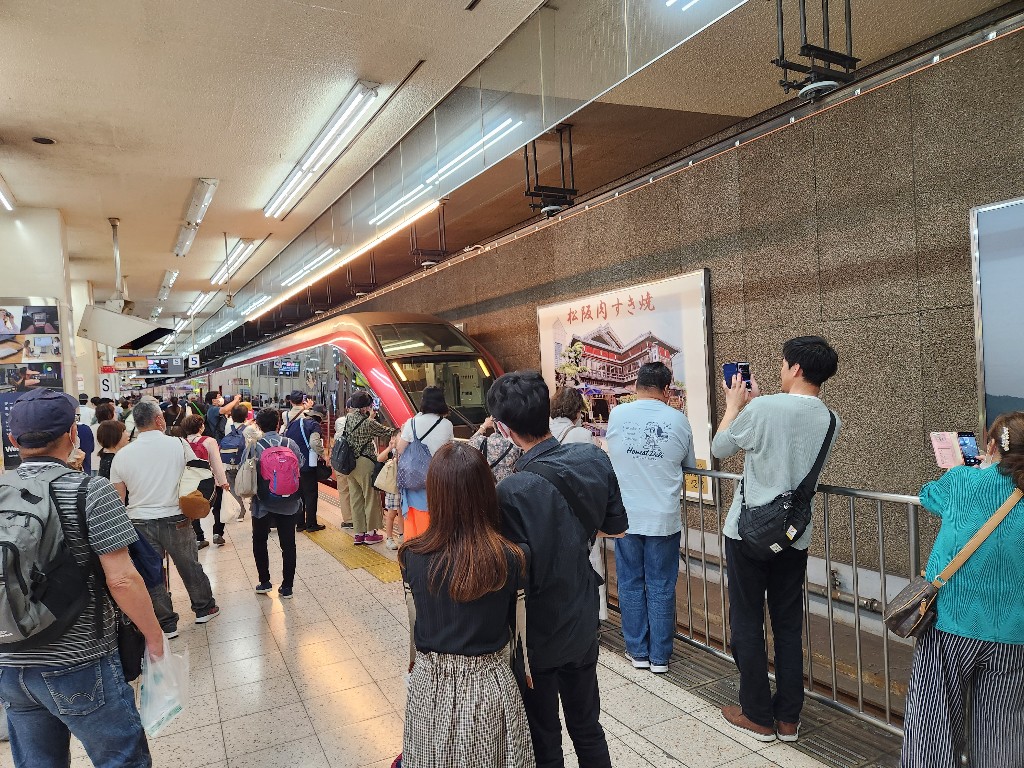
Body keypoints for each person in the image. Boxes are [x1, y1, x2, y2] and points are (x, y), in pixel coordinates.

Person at [0, 388, 162, 767]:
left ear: (13, 440)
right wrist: (154, 638)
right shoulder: (89, 490)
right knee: (122, 760)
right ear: (73, 435)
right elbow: (122, 580)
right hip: (79, 661)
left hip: (10, 663)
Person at [488, 371, 628, 768]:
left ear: (504, 428)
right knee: (588, 726)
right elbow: (617, 529)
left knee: (544, 737)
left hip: (537, 629)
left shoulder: (510, 491)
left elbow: (511, 566)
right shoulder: (593, 457)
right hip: (582, 613)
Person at [711, 336, 840, 742]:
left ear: (796, 368)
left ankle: (757, 714)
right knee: (787, 625)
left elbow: (720, 447)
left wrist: (735, 406)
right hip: (793, 537)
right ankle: (788, 718)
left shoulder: (763, 408)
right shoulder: (831, 419)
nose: (781, 370)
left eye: (784, 364)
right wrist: (757, 407)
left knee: (747, 621)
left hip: (748, 532)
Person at [900, 412, 1024, 768]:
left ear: (990, 446)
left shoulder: (962, 480)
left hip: (951, 624)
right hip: (1013, 632)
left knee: (933, 726)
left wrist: (970, 469)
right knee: (1003, 730)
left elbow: (928, 495)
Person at [399, 442, 534, 767]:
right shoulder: (512, 557)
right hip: (490, 687)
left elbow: (417, 620)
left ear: (434, 494)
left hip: (429, 689)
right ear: (486, 491)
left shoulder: (411, 555)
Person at [606, 362, 696, 674]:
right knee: (660, 585)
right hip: (663, 517)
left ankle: (637, 651)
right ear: (666, 388)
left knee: (630, 582)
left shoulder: (618, 414)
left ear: (636, 385)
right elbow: (689, 464)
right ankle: (660, 656)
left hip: (627, 516)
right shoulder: (679, 419)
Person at [110, 400, 221, 637]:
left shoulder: (122, 455)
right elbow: (196, 474)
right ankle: (204, 609)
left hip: (139, 522)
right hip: (176, 517)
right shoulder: (178, 444)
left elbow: (118, 499)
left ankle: (166, 624)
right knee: (189, 565)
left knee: (152, 574)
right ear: (159, 420)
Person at [242, 408, 306, 599]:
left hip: (262, 503)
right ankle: (287, 587)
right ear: (278, 424)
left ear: (259, 425)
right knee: (289, 544)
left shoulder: (255, 446)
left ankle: (265, 582)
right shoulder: (290, 443)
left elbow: (245, 467)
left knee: (260, 540)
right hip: (289, 502)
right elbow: (300, 464)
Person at [397, 386, 455, 538]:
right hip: (439, 477)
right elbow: (450, 450)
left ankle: (414, 548)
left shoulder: (411, 423)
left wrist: (402, 432)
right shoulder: (447, 425)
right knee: (438, 515)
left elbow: (400, 449)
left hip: (415, 478)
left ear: (423, 401)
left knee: (416, 519)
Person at [344, 392, 397, 544]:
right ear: (366, 406)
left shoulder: (348, 418)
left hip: (350, 464)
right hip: (365, 463)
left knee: (356, 498)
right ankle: (371, 533)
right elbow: (388, 431)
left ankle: (359, 534)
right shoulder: (368, 423)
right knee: (370, 497)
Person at [182, 414, 231, 547]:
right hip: (210, 480)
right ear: (200, 427)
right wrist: (223, 482)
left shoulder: (182, 443)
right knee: (218, 506)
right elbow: (216, 463)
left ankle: (199, 538)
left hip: (191, 482)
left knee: (194, 508)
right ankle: (217, 533)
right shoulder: (209, 441)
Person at [285, 401, 327, 532]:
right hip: (308, 465)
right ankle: (311, 524)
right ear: (320, 417)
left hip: (294, 465)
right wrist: (324, 455)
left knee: (299, 494)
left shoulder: (294, 423)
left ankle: (300, 524)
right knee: (311, 494)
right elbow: (314, 443)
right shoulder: (314, 425)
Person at [468, 416, 522, 483]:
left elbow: (471, 442)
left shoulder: (481, 442)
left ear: (496, 424)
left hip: (487, 484)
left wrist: (484, 425)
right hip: (507, 485)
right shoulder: (517, 445)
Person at [223, 403, 253, 521]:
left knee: (233, 487)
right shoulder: (249, 429)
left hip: (229, 463)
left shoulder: (228, 425)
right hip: (246, 463)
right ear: (246, 416)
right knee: (252, 484)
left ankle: (241, 511)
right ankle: (253, 505)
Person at [377, 429, 403, 549]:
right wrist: (390, 447)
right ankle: (389, 538)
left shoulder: (405, 448)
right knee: (391, 513)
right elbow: (379, 459)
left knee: (402, 513)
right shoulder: (393, 450)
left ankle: (402, 536)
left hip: (404, 486)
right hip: (393, 487)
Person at [333, 410, 355, 529]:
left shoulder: (339, 421)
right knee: (356, 490)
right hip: (354, 463)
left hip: (340, 462)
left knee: (344, 491)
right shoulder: (362, 422)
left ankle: (348, 520)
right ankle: (359, 518)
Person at [90, 402, 116, 474]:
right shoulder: (114, 429)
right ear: (109, 414)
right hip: (108, 464)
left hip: (92, 463)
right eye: (114, 412)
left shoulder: (91, 428)